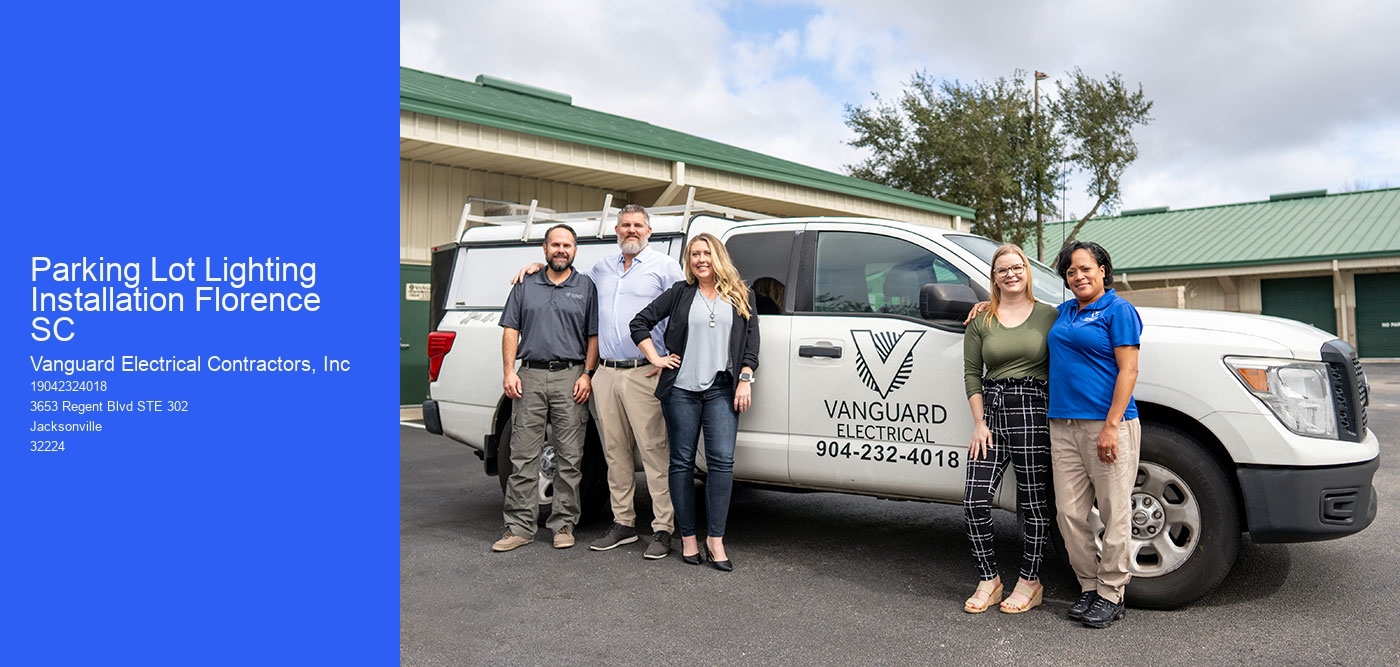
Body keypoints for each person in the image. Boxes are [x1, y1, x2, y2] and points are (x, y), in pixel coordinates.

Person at [512, 204, 685, 560]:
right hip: (604, 374)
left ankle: (663, 528)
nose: (631, 230)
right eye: (625, 225)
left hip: (644, 372)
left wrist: (669, 358)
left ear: (649, 231)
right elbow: (563, 274)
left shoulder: (665, 266)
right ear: (616, 231)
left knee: (654, 452)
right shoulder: (602, 268)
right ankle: (623, 523)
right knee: (614, 453)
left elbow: (683, 312)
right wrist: (534, 267)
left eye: (638, 225)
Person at [630, 233, 759, 572]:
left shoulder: (741, 294)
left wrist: (745, 379)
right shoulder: (680, 293)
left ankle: (715, 539)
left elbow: (751, 346)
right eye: (694, 254)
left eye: (706, 253)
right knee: (682, 463)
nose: (701, 259)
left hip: (722, 389)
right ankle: (687, 537)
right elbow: (639, 323)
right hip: (681, 391)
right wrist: (656, 358)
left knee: (722, 463)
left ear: (718, 256)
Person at [1047, 241, 1142, 629]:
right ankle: (1088, 585)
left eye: (1085, 268)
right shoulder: (1063, 312)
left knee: (1115, 512)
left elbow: (1129, 370)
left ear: (1103, 270)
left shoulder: (1119, 310)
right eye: (1071, 272)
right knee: (1069, 513)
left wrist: (1111, 426)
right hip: (1062, 426)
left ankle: (1111, 593)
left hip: (1106, 425)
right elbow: (1021, 312)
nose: (1078, 276)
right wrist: (991, 304)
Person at [961, 244, 1057, 614]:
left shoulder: (1049, 315)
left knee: (1032, 502)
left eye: (1017, 267)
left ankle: (1030, 582)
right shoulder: (982, 319)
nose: (1011, 274)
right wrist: (979, 423)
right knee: (974, 500)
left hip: (1033, 408)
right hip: (992, 411)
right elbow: (972, 374)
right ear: (994, 277)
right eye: (1003, 270)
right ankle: (990, 579)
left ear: (1027, 271)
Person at [492, 224, 599, 553]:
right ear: (545, 248)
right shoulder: (525, 284)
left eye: (567, 245)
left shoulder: (586, 286)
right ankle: (519, 527)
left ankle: (563, 524)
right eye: (556, 245)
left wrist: (587, 374)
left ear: (575, 250)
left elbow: (593, 335)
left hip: (571, 376)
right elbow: (511, 329)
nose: (561, 250)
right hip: (530, 376)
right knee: (523, 456)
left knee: (570, 457)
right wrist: (509, 372)